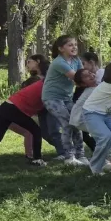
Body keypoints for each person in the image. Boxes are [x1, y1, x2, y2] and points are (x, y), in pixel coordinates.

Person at [42, 35, 86, 165]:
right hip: (52, 98)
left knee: (76, 122)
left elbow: (83, 75)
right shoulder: (59, 62)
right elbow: (78, 79)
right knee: (67, 123)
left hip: (67, 98)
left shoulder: (76, 60)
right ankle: (69, 157)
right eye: (70, 45)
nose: (74, 47)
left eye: (75, 45)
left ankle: (81, 155)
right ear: (61, 48)